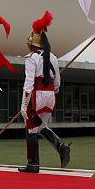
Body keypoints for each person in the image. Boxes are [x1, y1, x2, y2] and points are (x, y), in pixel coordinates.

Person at [18, 11, 70, 173]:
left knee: (31, 128)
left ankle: (33, 164)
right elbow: (57, 83)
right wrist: (51, 90)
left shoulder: (31, 58)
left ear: (32, 44)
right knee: (40, 127)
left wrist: (24, 105)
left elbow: (28, 84)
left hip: (37, 97)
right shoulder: (53, 57)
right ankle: (60, 146)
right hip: (50, 96)